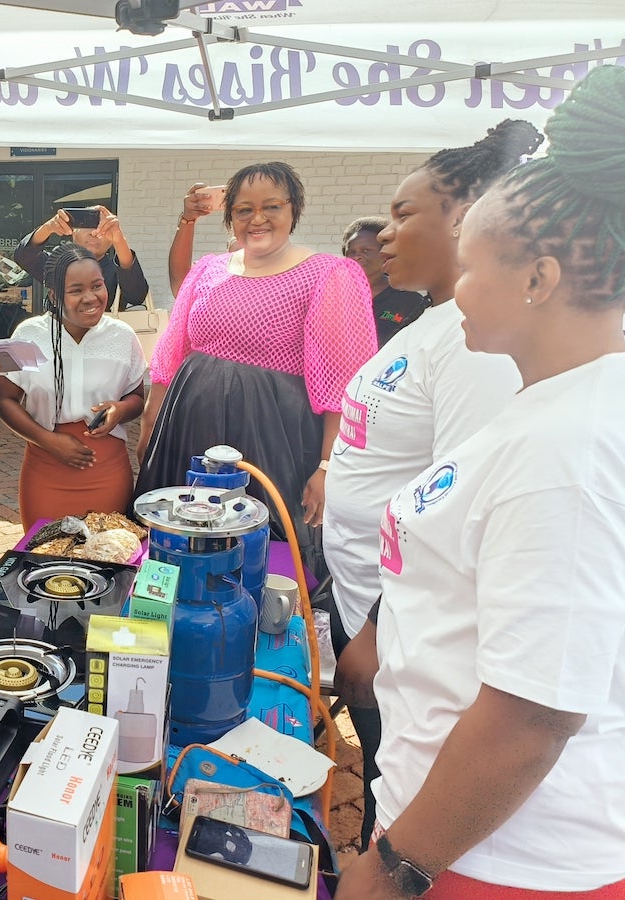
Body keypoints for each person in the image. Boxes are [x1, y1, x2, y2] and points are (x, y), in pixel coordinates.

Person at [335, 65, 625, 898]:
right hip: (459, 830)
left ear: (538, 279)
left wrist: (396, 868)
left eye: (474, 267)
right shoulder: (555, 409)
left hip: (497, 861)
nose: (455, 289)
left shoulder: (567, 451)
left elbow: (533, 715)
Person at [323, 120, 541, 851]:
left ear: (466, 212)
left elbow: (459, 505)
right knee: (385, 775)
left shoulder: (473, 342)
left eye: (404, 213)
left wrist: (380, 630)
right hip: (366, 606)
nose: (386, 233)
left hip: (400, 634)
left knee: (403, 808)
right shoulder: (430, 323)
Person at [136, 162, 376, 573]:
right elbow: (172, 355)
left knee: (259, 551)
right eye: (244, 209)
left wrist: (327, 467)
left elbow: (343, 384)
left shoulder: (327, 275)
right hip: (187, 432)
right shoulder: (208, 270)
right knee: (178, 539)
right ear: (230, 216)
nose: (258, 219)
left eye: (272, 207)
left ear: (293, 210)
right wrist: (150, 425)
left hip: (272, 440)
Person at [0, 243, 147, 527]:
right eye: (76, 290)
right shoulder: (30, 335)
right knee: (42, 560)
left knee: (108, 560)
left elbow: (137, 396)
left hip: (107, 473)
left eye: (97, 286)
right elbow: (5, 400)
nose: (91, 298)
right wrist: (48, 441)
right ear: (54, 295)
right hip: (45, 471)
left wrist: (120, 410)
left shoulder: (122, 336)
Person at [13, 205, 150, 308]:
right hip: (59, 340)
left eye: (102, 228)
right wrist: (48, 228)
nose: (94, 233)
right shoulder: (57, 263)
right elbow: (23, 256)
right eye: (89, 225)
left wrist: (120, 241)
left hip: (104, 341)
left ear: (111, 241)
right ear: (73, 231)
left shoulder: (116, 270)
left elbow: (137, 295)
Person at [340, 216, 429, 347]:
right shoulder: (332, 297)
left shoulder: (411, 302)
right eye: (351, 251)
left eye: (366, 251)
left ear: (386, 254)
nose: (357, 256)